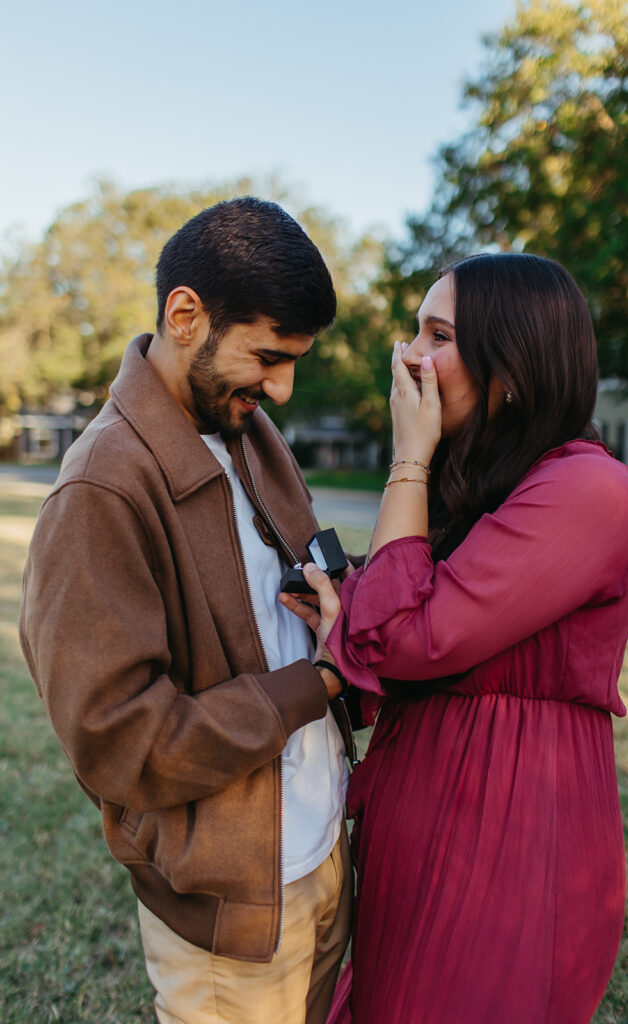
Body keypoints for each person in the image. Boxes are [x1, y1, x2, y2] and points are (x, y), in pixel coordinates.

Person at [281, 253, 628, 1024]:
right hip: (419, 826)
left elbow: (406, 641)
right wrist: (340, 621)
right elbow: (391, 646)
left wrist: (407, 457)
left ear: (509, 366)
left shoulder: (588, 489)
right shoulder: (482, 485)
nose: (408, 356)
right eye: (414, 330)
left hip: (509, 843)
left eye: (437, 334)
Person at [19, 197, 353, 1024]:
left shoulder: (248, 432)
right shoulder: (102, 486)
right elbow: (121, 741)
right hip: (229, 907)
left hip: (323, 853)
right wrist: (315, 684)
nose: (280, 388)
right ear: (184, 315)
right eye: (268, 357)